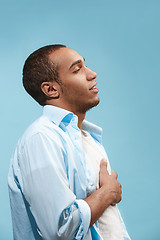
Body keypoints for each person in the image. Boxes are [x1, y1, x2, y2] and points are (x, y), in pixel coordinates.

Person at [8, 44, 131, 240]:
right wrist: (108, 192)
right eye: (77, 69)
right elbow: (60, 230)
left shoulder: (88, 138)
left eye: (86, 65)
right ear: (51, 89)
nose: (92, 74)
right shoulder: (41, 138)